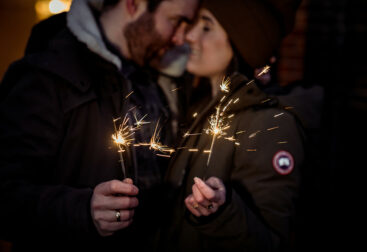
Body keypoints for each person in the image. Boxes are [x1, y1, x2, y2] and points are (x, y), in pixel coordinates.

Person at [0, 0, 199, 251]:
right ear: (132, 5)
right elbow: (5, 196)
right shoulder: (46, 76)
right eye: (176, 21)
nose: (181, 38)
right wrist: (83, 211)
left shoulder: (160, 74)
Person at [158, 0, 304, 251]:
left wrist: (220, 213)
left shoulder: (270, 125)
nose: (190, 35)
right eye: (194, 23)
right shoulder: (200, 109)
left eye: (206, 27)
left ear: (243, 44)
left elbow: (271, 243)